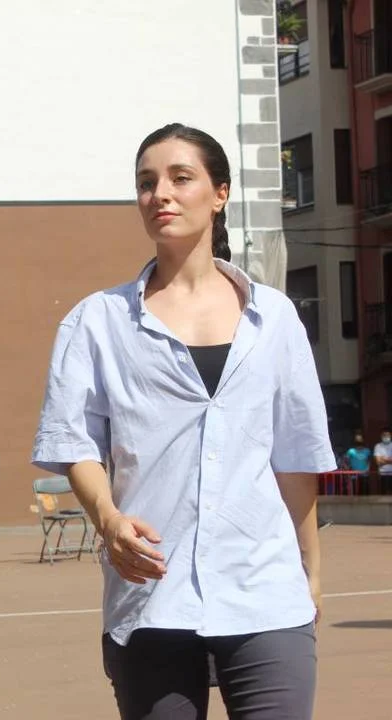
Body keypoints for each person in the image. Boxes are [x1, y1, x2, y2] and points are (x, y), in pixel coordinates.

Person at [32, 124, 334, 719]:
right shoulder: (97, 322)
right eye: (146, 183)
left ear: (220, 193)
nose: (160, 194)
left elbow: (295, 456)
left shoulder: (274, 318)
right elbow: (75, 443)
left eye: (180, 178)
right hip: (151, 593)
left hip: (265, 588)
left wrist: (311, 572)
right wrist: (109, 520)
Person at [374, 428, 392, 494]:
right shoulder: (378, 446)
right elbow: (378, 462)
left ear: (391, 435)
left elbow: (380, 460)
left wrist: (383, 459)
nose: (386, 437)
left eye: (388, 435)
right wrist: (389, 460)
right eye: (384, 435)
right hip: (382, 474)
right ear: (381, 436)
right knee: (383, 494)